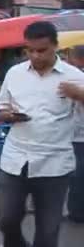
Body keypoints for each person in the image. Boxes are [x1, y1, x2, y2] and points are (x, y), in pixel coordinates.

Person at [0, 21, 84, 247]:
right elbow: (2, 107)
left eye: (42, 50)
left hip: (54, 163)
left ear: (56, 46)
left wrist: (81, 95)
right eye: (30, 50)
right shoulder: (15, 73)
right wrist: (9, 115)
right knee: (6, 219)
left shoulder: (74, 77)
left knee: (47, 230)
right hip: (15, 158)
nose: (35, 56)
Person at [64, 45, 84, 223]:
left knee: (78, 176)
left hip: (80, 136)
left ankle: (77, 213)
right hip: (76, 134)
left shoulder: (78, 78)